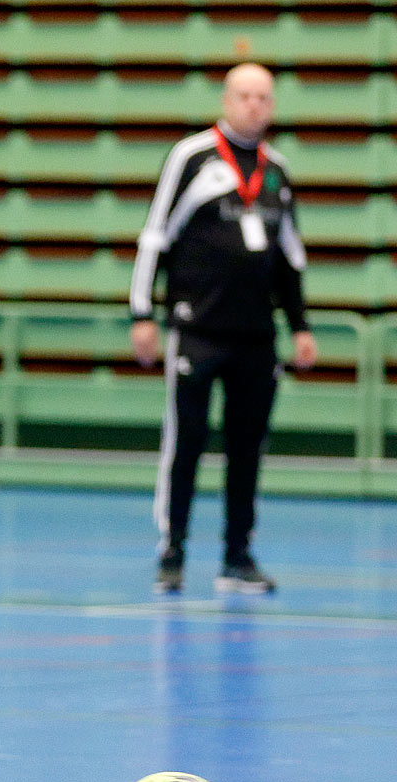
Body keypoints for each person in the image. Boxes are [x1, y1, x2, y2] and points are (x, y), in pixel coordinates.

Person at [130, 62, 316, 596]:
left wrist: (300, 326)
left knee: (247, 446)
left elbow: (290, 258)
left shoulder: (277, 171)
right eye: (244, 95)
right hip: (197, 330)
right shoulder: (191, 157)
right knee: (186, 441)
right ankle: (173, 550)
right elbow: (154, 237)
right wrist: (142, 313)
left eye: (263, 97)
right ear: (226, 99)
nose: (254, 105)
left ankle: (237, 556)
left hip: (257, 337)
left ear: (273, 106)